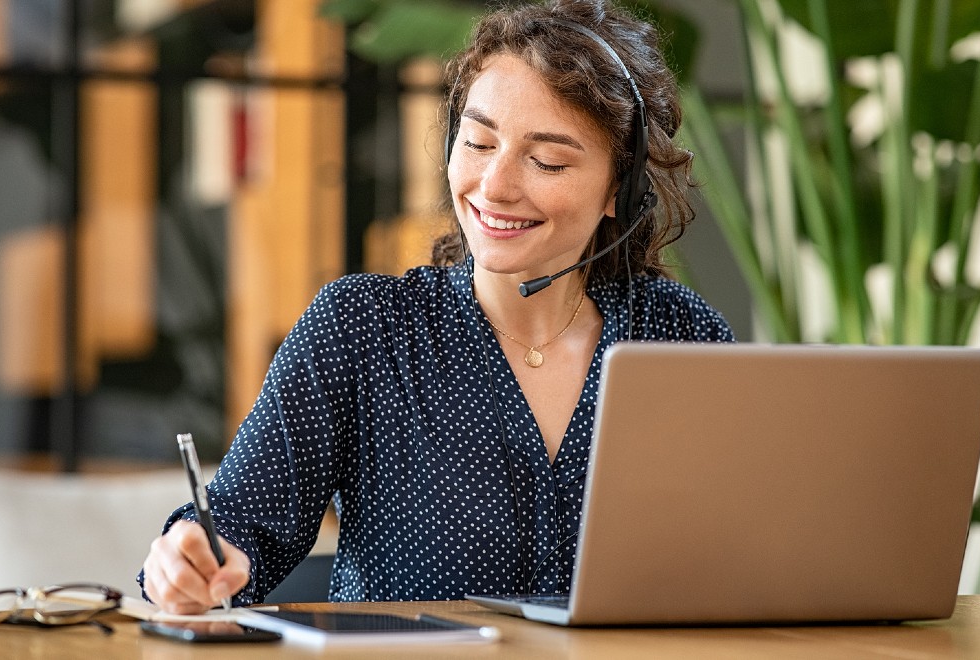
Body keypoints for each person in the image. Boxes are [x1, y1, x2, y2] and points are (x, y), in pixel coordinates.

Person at [140, 0, 734, 614]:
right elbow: (236, 532)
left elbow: (749, 548)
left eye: (546, 160)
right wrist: (188, 562)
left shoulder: (680, 336)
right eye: (478, 142)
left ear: (621, 186)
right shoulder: (362, 328)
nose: (494, 185)